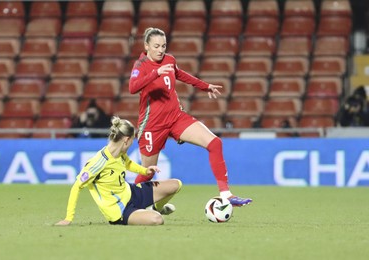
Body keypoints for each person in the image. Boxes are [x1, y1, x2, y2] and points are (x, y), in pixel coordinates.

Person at [128, 27, 252, 207]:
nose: (161, 50)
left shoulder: (169, 60)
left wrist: (205, 86)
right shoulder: (141, 65)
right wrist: (156, 73)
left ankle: (226, 194)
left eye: (164, 45)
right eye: (156, 46)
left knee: (215, 143)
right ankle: (129, 202)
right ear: (146, 46)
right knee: (147, 173)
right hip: (152, 125)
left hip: (176, 118)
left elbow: (180, 74)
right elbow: (132, 88)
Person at [55, 116, 182, 226]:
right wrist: (68, 218)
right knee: (156, 219)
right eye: (132, 140)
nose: (132, 144)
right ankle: (149, 213)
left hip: (132, 192)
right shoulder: (98, 162)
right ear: (126, 140)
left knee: (176, 185)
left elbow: (128, 163)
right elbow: (77, 186)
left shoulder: (120, 153)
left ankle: (157, 208)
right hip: (121, 211)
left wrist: (145, 171)